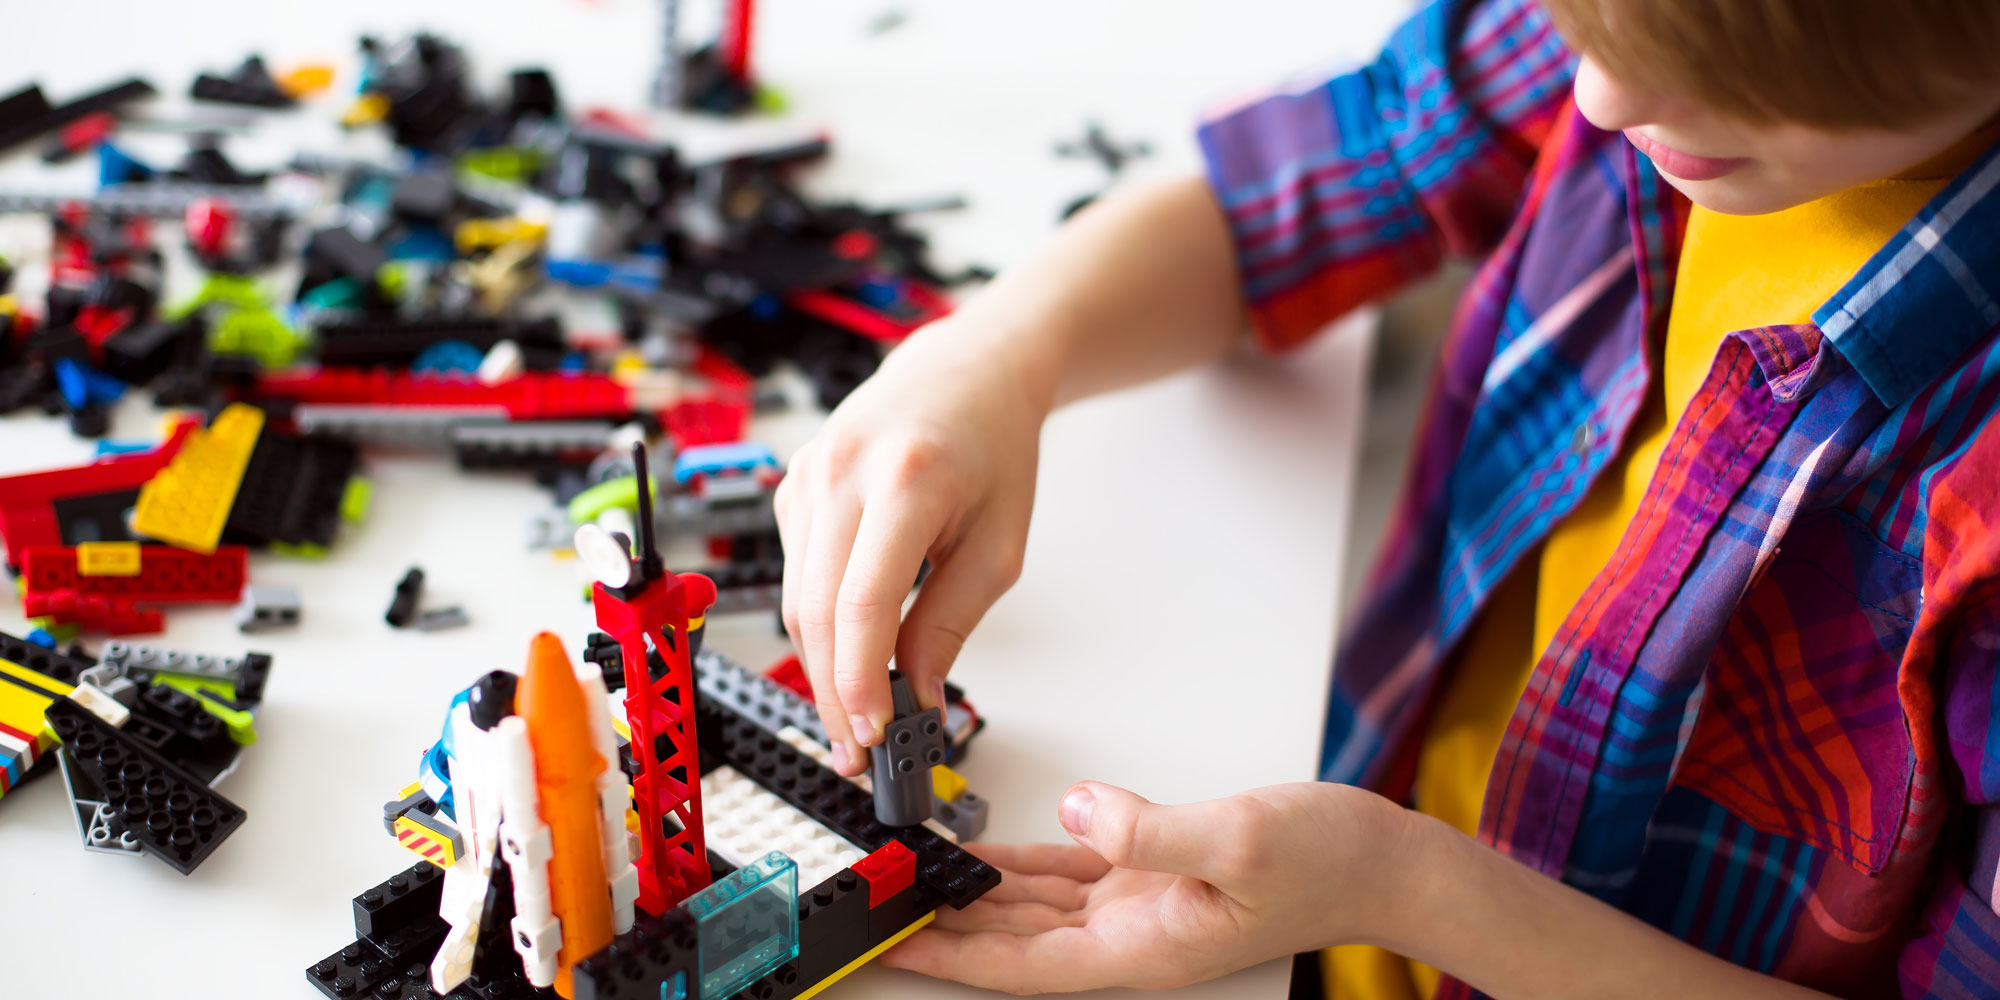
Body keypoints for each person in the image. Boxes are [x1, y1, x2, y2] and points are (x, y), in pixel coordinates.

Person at [772, 0, 2000, 995]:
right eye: (1575, 21)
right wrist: (992, 355)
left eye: (1713, 74)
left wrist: (1404, 891)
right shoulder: (1636, 62)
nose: (1596, 100)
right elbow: (1332, 169)